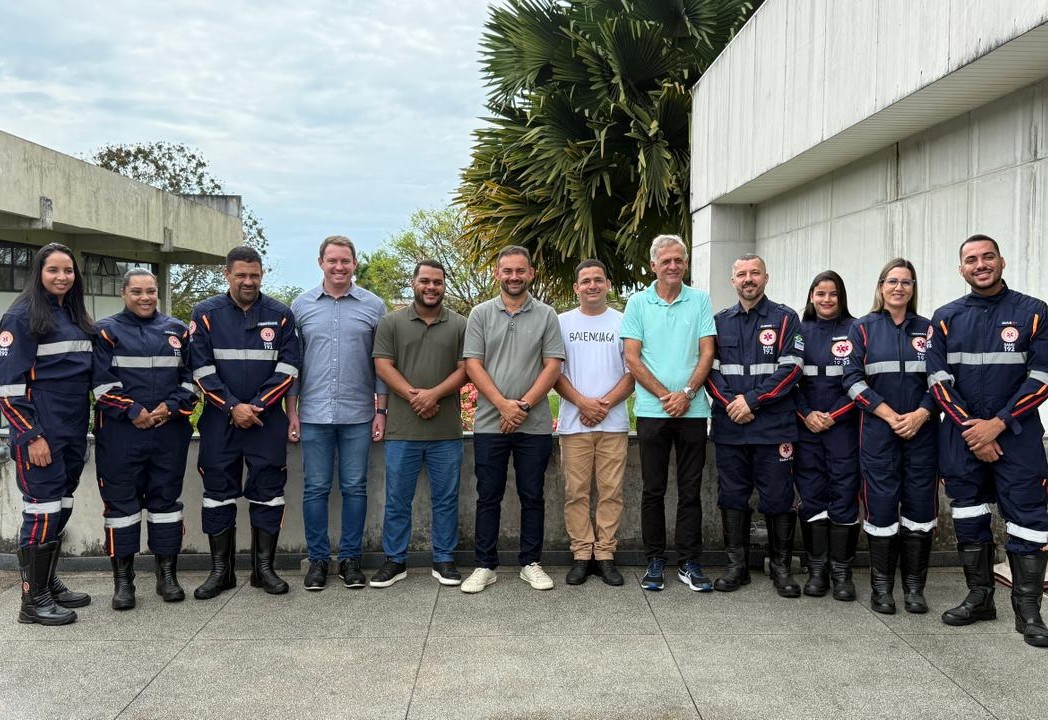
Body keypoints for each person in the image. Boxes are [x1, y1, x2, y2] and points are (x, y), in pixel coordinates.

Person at [927, 235, 1048, 647]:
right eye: (971, 259)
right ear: (961, 269)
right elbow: (938, 382)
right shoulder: (945, 317)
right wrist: (973, 430)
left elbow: (1042, 378)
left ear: (1002, 261)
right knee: (968, 515)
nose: (980, 265)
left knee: (1029, 519)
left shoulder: (1034, 312)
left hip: (1018, 437)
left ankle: (1028, 612)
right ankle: (979, 598)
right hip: (962, 438)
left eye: (987, 257)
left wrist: (998, 424)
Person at [188, 245, 301, 599]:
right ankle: (220, 572)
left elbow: (289, 368)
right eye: (241, 275)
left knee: (268, 493)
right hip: (219, 421)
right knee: (217, 494)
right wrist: (233, 406)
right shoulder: (205, 314)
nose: (248, 281)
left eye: (254, 275)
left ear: (262, 275)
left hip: (265, 422)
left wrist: (257, 406)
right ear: (227, 275)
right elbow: (200, 368)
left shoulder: (281, 315)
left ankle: (263, 570)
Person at [460, 245, 564, 593]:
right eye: (507, 271)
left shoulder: (547, 314)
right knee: (488, 495)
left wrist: (521, 406)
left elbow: (553, 365)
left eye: (520, 270)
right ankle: (484, 565)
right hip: (491, 423)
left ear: (531, 273)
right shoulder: (480, 314)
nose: (514, 277)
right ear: (497, 274)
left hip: (534, 425)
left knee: (532, 494)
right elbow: (473, 364)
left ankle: (530, 563)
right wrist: (503, 405)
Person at [0, 243, 94, 625]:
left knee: (61, 505)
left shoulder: (74, 315)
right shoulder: (20, 316)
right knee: (41, 509)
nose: (62, 277)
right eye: (53, 270)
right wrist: (31, 435)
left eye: (68, 270)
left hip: (73, 426)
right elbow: (7, 389)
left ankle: (48, 583)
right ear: (38, 273)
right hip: (41, 428)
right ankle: (32, 600)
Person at [93, 269, 198, 609]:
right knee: (121, 508)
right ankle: (123, 583)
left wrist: (171, 407)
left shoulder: (178, 330)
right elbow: (100, 383)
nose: (145, 297)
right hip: (121, 434)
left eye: (150, 291)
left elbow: (191, 380)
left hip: (169, 431)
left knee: (165, 503)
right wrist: (133, 411)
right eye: (137, 291)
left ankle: (166, 576)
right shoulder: (105, 331)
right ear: (124, 293)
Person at [287, 235, 387, 591]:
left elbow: (381, 364)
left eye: (345, 261)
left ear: (354, 263)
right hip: (313, 414)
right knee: (315, 488)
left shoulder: (374, 306)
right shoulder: (300, 306)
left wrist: (381, 410)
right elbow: (293, 365)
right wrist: (292, 412)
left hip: (358, 414)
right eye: (332, 260)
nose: (339, 267)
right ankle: (318, 560)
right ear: (321, 263)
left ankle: (350, 559)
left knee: (355, 488)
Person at [842, 258, 938, 615]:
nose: (899, 288)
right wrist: (888, 414)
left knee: (920, 506)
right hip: (879, 432)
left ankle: (914, 588)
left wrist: (921, 414)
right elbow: (851, 380)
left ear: (913, 289)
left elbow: (941, 380)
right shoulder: (862, 328)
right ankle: (882, 589)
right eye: (892, 281)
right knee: (881, 505)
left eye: (906, 282)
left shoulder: (928, 329)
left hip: (922, 431)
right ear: (880, 287)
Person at [622, 235, 716, 592]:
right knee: (653, 490)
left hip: (693, 411)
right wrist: (666, 396)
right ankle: (655, 560)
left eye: (679, 260)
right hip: (653, 410)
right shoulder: (637, 303)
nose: (673, 266)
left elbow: (707, 352)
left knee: (690, 490)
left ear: (686, 263)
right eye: (666, 261)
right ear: (653, 266)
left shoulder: (700, 300)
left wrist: (687, 393)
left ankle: (689, 562)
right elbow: (632, 357)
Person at [706, 254, 804, 598]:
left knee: (778, 498)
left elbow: (791, 369)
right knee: (732, 496)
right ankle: (737, 568)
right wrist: (733, 404)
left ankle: (781, 569)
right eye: (742, 274)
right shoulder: (718, 321)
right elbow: (709, 371)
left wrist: (751, 402)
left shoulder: (785, 318)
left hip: (773, 427)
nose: (748, 279)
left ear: (766, 277)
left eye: (755, 273)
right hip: (731, 426)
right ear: (732, 280)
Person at [371, 260, 467, 587]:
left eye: (437, 282)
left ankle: (444, 559)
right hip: (402, 430)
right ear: (413, 283)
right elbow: (383, 366)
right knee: (398, 499)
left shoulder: (460, 324)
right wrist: (417, 398)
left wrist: (434, 395)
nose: (431, 287)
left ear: (444, 285)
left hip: (446, 431)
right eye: (425, 281)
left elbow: (466, 369)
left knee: (446, 499)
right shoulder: (391, 323)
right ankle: (395, 560)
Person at [556, 259, 634, 587]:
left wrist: (603, 406)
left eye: (598, 280)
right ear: (576, 287)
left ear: (608, 284)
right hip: (574, 424)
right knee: (575, 492)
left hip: (612, 424)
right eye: (586, 280)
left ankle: (605, 554)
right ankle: (581, 554)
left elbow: (632, 373)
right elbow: (554, 372)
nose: (592, 285)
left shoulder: (624, 321)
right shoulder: (561, 323)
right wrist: (582, 403)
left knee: (611, 492)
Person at [793, 271, 861, 600]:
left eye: (833, 294)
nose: (826, 299)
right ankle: (817, 570)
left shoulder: (857, 329)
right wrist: (806, 414)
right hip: (807, 427)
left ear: (841, 297)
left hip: (843, 427)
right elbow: (789, 380)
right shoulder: (798, 331)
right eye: (820, 293)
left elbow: (860, 380)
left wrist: (833, 415)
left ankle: (842, 573)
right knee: (812, 495)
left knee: (844, 493)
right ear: (811, 296)